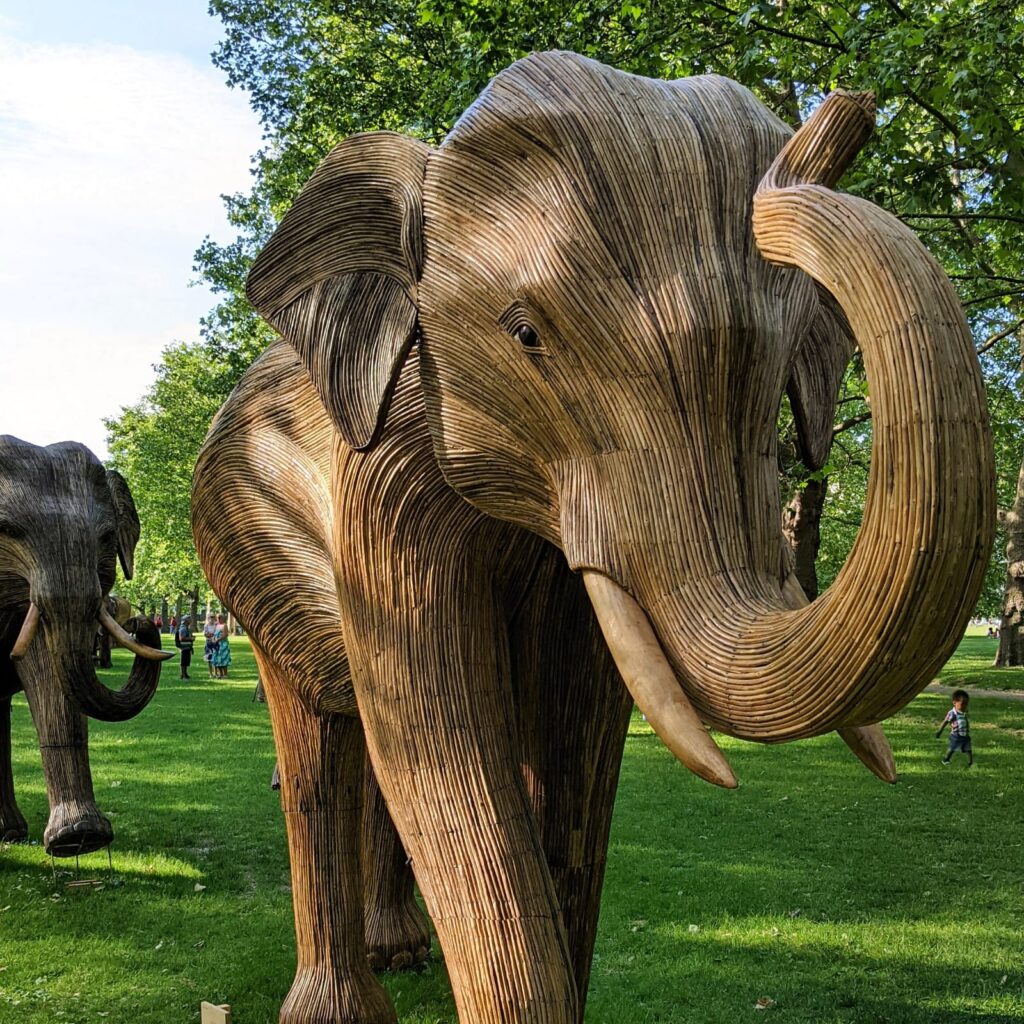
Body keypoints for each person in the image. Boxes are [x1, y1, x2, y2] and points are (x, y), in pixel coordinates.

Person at [936, 689, 972, 766]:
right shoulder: (952, 713)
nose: (964, 706)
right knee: (952, 748)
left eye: (966, 704)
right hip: (956, 735)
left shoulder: (964, 712)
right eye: (962, 704)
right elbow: (945, 722)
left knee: (968, 748)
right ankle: (946, 759)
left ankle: (970, 762)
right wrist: (939, 731)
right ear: (954, 702)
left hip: (965, 734)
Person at [211, 613, 232, 678]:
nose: (218, 619)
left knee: (224, 659)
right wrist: (213, 640)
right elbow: (214, 634)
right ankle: (220, 674)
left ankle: (225, 674)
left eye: (219, 618)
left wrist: (217, 640)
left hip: (223, 645)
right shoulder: (217, 625)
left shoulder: (224, 625)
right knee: (217, 659)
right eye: (217, 618)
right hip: (216, 645)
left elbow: (225, 635)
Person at [175, 615, 194, 680]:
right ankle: (183, 675)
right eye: (189, 619)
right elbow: (181, 638)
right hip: (184, 647)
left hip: (187, 647)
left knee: (187, 661)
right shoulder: (183, 628)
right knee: (184, 661)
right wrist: (190, 638)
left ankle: (185, 673)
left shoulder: (186, 628)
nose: (190, 621)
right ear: (186, 621)